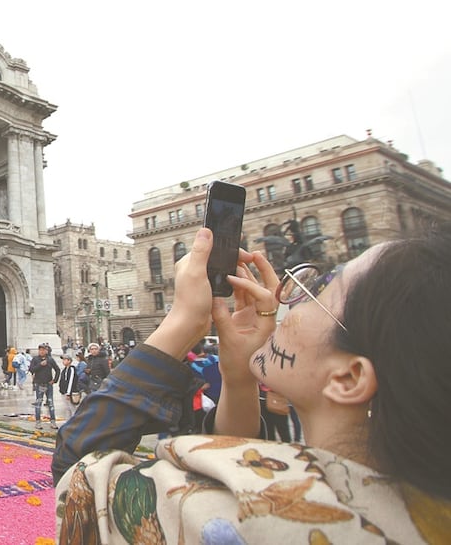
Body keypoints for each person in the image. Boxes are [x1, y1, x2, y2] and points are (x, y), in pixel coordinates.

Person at [53, 226, 451, 542]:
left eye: (320, 292)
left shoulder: (252, 514)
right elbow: (233, 461)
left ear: (349, 378)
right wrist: (239, 377)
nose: (288, 297)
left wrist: (181, 325)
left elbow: (78, 487)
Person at [29, 343, 60, 430]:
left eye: (44, 350)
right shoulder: (35, 359)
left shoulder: (50, 359)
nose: (42, 351)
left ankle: (53, 421)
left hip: (48, 384)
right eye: (40, 350)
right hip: (39, 384)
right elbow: (31, 369)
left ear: (46, 351)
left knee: (51, 403)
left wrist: (54, 380)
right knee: (38, 403)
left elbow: (57, 370)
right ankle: (38, 422)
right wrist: (40, 365)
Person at [57, 353, 79, 422]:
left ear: (69, 361)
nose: (63, 361)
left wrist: (68, 393)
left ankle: (75, 422)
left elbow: (71, 381)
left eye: (65, 360)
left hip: (70, 392)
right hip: (63, 391)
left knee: (72, 408)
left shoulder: (72, 369)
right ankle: (68, 422)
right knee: (67, 408)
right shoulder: (64, 370)